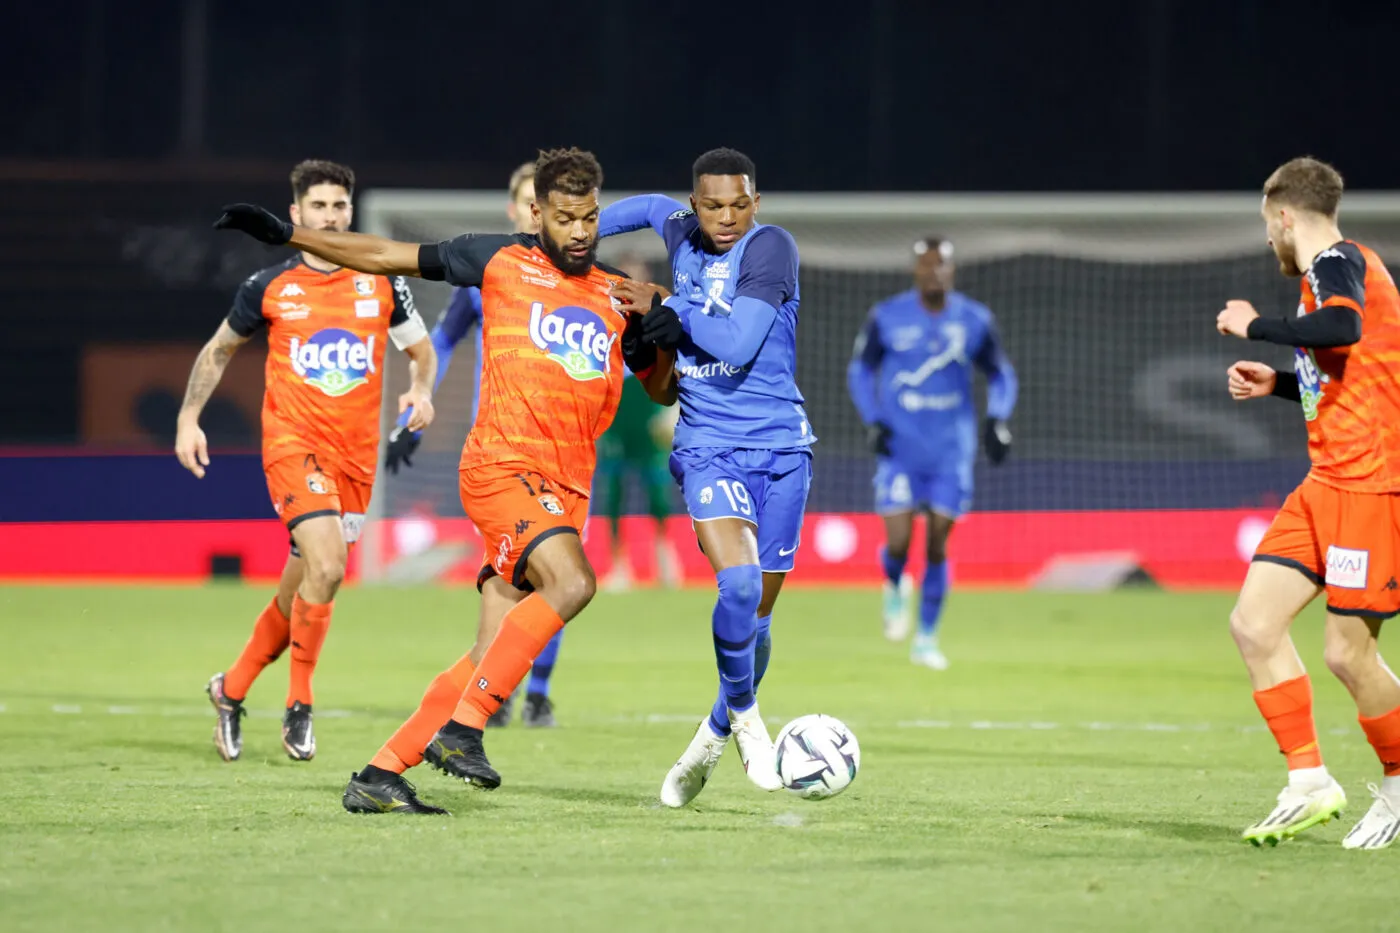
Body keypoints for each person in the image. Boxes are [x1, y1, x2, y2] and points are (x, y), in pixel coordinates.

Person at [215, 147, 675, 814]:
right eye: (567, 217)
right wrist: (291, 236)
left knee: (490, 651)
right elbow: (386, 255)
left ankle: (380, 772)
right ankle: (464, 729)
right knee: (574, 582)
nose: (581, 231)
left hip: (566, 486)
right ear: (539, 213)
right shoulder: (500, 260)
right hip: (502, 467)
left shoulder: (615, 292)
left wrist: (660, 338)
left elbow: (660, 390)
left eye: (591, 217)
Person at [179, 159, 436, 762]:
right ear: (295, 216)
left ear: (351, 210)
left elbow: (421, 352)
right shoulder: (269, 286)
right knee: (327, 564)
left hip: (355, 460)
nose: (331, 216)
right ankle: (300, 704)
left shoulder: (381, 282)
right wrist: (189, 418)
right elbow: (218, 351)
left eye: (340, 206)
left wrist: (420, 390)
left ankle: (231, 688)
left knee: (306, 583)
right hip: (294, 446)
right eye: (318, 207)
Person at [597, 147, 813, 807]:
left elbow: (739, 342)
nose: (726, 217)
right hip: (710, 447)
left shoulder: (771, 248)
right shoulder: (679, 231)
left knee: (760, 617)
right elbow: (641, 209)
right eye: (713, 205)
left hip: (782, 449)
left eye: (739, 204)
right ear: (695, 205)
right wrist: (571, 235)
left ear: (758, 203)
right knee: (739, 585)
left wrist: (668, 306)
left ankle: (714, 733)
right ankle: (748, 717)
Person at [1219, 156, 1400, 849]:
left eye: (1269, 227)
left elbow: (1342, 328)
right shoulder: (1329, 275)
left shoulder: (1336, 262)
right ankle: (1309, 781)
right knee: (1253, 623)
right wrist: (1278, 385)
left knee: (1347, 655)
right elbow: (1353, 375)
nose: (1270, 241)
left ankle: (1397, 785)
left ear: (1286, 215)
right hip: (1324, 482)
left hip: (1368, 485)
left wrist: (1254, 325)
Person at [383, 160, 564, 729]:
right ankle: (503, 692)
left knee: (553, 572)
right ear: (517, 209)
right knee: (528, 572)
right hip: (498, 442)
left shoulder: (581, 278)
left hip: (563, 443)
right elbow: (442, 337)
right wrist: (418, 401)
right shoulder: (491, 273)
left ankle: (530, 689)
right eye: (527, 199)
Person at [846, 237, 1017, 668]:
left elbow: (1001, 374)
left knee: (938, 543)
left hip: (950, 452)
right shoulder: (887, 316)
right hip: (901, 447)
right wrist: (873, 418)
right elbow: (861, 369)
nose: (934, 272)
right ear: (915, 270)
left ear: (952, 270)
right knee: (900, 542)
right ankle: (893, 582)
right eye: (927, 265)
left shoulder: (974, 320)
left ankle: (925, 638)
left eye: (941, 265)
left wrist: (997, 419)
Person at [597, 253, 682, 592]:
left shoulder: (660, 317)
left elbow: (679, 361)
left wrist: (670, 411)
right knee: (614, 493)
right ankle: (619, 565)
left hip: (649, 416)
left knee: (657, 491)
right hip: (615, 419)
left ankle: (664, 555)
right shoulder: (603, 319)